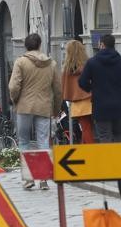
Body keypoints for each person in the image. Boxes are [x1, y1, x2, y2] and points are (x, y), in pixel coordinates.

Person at [8, 33, 61, 191]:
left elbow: (13, 86)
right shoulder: (51, 64)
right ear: (39, 45)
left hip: (24, 107)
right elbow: (58, 90)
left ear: (26, 46)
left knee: (24, 141)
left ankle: (28, 178)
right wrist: (56, 109)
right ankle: (44, 179)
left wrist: (15, 99)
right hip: (44, 107)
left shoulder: (21, 62)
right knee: (43, 141)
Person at [78, 34, 121, 143]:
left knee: (104, 137)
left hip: (100, 106)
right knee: (119, 135)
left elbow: (82, 82)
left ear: (102, 45)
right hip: (118, 105)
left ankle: (108, 159)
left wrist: (92, 89)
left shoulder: (92, 62)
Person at [61, 38, 95, 144]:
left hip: (77, 103)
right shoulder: (89, 66)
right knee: (91, 129)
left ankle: (88, 152)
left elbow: (64, 88)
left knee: (85, 128)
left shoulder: (67, 69)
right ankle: (89, 152)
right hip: (91, 99)